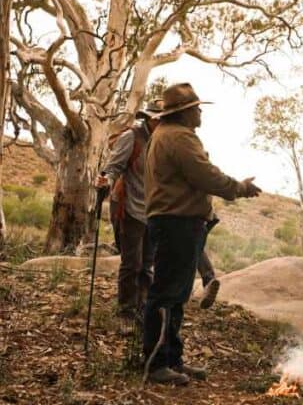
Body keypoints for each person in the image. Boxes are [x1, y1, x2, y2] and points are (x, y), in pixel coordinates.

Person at [142, 83, 261, 386]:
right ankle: (157, 364)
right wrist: (240, 188)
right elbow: (205, 175)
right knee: (168, 295)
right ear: (183, 113)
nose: (200, 113)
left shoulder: (165, 135)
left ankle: (171, 359)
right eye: (196, 108)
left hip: (174, 222)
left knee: (176, 295)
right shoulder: (179, 138)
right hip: (177, 224)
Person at [95, 100, 221, 321]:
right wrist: (106, 181)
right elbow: (113, 167)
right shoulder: (131, 138)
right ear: (152, 119)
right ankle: (126, 311)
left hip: (156, 212)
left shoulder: (168, 141)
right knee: (131, 263)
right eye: (161, 119)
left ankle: (143, 309)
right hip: (131, 208)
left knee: (147, 265)